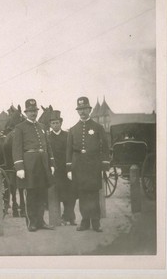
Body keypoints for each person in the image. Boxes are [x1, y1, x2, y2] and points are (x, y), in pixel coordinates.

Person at [66, 96, 109, 232]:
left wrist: (105, 166)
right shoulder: (73, 129)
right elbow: (69, 151)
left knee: (94, 195)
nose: (82, 111)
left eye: (84, 109)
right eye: (80, 109)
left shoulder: (98, 128)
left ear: (89, 109)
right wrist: (69, 169)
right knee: (83, 195)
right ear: (77, 111)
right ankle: (85, 222)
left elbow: (105, 148)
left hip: (94, 167)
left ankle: (96, 222)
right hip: (79, 168)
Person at [13, 98, 56, 232]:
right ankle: (31, 222)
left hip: (42, 164)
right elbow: (16, 148)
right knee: (31, 195)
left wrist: (52, 163)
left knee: (42, 194)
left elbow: (48, 146)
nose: (33, 113)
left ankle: (41, 221)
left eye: (35, 111)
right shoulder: (20, 128)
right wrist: (19, 167)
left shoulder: (42, 127)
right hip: (29, 165)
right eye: (30, 111)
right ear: (26, 112)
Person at [48, 110, 77, 226]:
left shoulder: (67, 136)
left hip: (66, 169)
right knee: (58, 193)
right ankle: (62, 217)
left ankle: (69, 216)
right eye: (53, 123)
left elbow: (71, 152)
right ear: (50, 125)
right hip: (55, 170)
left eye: (57, 123)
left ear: (61, 123)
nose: (55, 125)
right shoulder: (48, 137)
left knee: (71, 193)